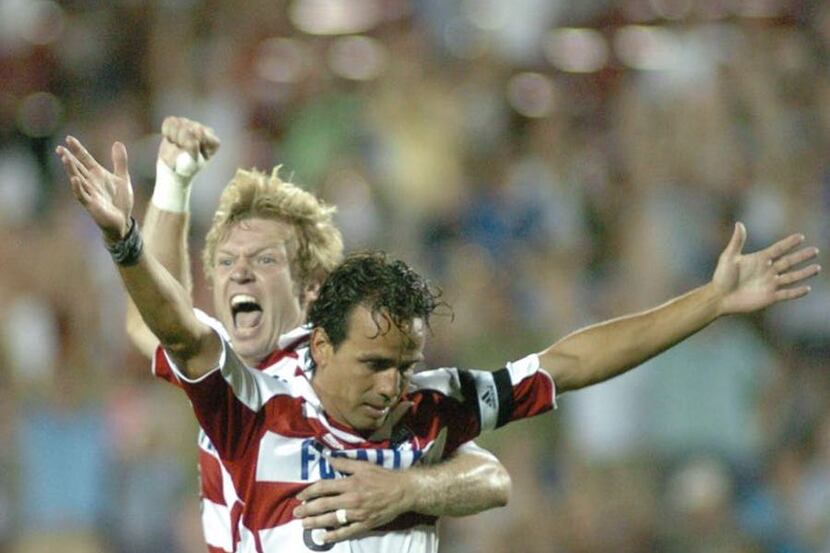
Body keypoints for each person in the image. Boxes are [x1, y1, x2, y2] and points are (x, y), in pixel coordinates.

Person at [56, 134, 820, 552]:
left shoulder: (430, 405)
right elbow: (168, 325)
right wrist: (137, 226)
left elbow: (567, 364)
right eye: (375, 365)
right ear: (321, 345)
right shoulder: (253, 401)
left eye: (403, 365)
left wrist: (711, 301)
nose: (392, 385)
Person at [99, 118, 510, 552]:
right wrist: (173, 182)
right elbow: (153, 324)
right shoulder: (222, 377)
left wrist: (409, 490)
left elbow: (488, 478)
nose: (240, 273)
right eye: (226, 262)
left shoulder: (353, 380)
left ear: (310, 287)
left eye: (265, 260)